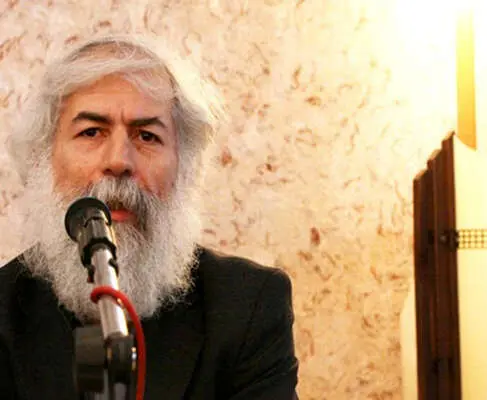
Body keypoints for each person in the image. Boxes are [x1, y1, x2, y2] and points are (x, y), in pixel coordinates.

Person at [0, 34, 299, 399]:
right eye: (91, 132)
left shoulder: (249, 307)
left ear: (183, 166)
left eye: (146, 136)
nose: (119, 161)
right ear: (44, 159)